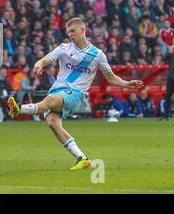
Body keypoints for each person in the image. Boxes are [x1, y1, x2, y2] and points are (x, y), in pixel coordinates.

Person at [7, 18, 143, 170]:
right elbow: (46, 59)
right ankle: (82, 158)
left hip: (75, 93)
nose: (70, 34)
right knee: (53, 123)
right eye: (68, 32)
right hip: (58, 90)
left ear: (83, 30)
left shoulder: (97, 54)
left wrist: (126, 83)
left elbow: (110, 77)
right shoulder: (64, 48)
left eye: (73, 31)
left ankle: (19, 108)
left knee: (49, 101)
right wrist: (38, 64)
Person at [160, 44, 174, 120]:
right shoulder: (171, 52)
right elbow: (163, 59)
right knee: (168, 96)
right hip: (171, 77)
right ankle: (165, 116)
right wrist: (169, 52)